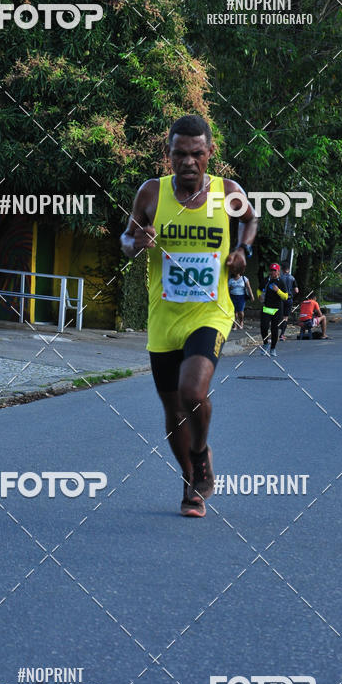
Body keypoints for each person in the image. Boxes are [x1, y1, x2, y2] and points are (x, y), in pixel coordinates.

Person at [120, 115, 258, 518]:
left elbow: (249, 218)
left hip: (210, 312)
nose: (189, 162)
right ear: (168, 154)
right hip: (164, 318)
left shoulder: (227, 192)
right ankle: (190, 481)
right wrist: (135, 242)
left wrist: (242, 251)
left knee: (192, 393)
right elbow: (126, 239)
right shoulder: (151, 194)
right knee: (172, 409)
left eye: (197, 154)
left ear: (210, 153)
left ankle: (201, 455)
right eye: (180, 154)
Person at [257, 263, 288, 357]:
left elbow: (286, 297)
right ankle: (265, 343)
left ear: (278, 271)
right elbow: (259, 289)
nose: (272, 272)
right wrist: (260, 296)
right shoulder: (266, 280)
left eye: (274, 270)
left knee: (274, 329)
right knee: (264, 327)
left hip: (277, 309)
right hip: (267, 307)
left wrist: (278, 290)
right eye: (271, 270)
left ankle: (273, 348)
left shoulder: (281, 281)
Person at [278, 262, 299, 341]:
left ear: (282, 270)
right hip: (289, 299)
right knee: (285, 317)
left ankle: (275, 332)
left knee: (279, 316)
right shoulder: (292, 278)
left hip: (281, 299)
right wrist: (291, 294)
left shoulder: (280, 278)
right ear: (288, 269)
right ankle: (282, 335)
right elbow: (297, 290)